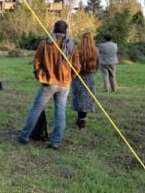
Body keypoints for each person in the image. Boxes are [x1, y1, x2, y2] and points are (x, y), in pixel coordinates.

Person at [16, 20, 81, 149]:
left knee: (36, 110)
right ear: (66, 31)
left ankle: (24, 136)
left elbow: (36, 61)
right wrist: (69, 78)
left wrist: (40, 75)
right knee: (60, 113)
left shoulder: (46, 42)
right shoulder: (72, 45)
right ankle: (55, 142)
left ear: (54, 29)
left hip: (49, 82)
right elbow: (77, 67)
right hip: (63, 84)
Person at [71, 32, 99, 129]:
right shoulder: (95, 51)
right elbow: (97, 66)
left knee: (79, 98)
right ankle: (82, 119)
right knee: (86, 99)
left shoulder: (77, 49)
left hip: (78, 76)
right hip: (90, 77)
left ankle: (80, 119)